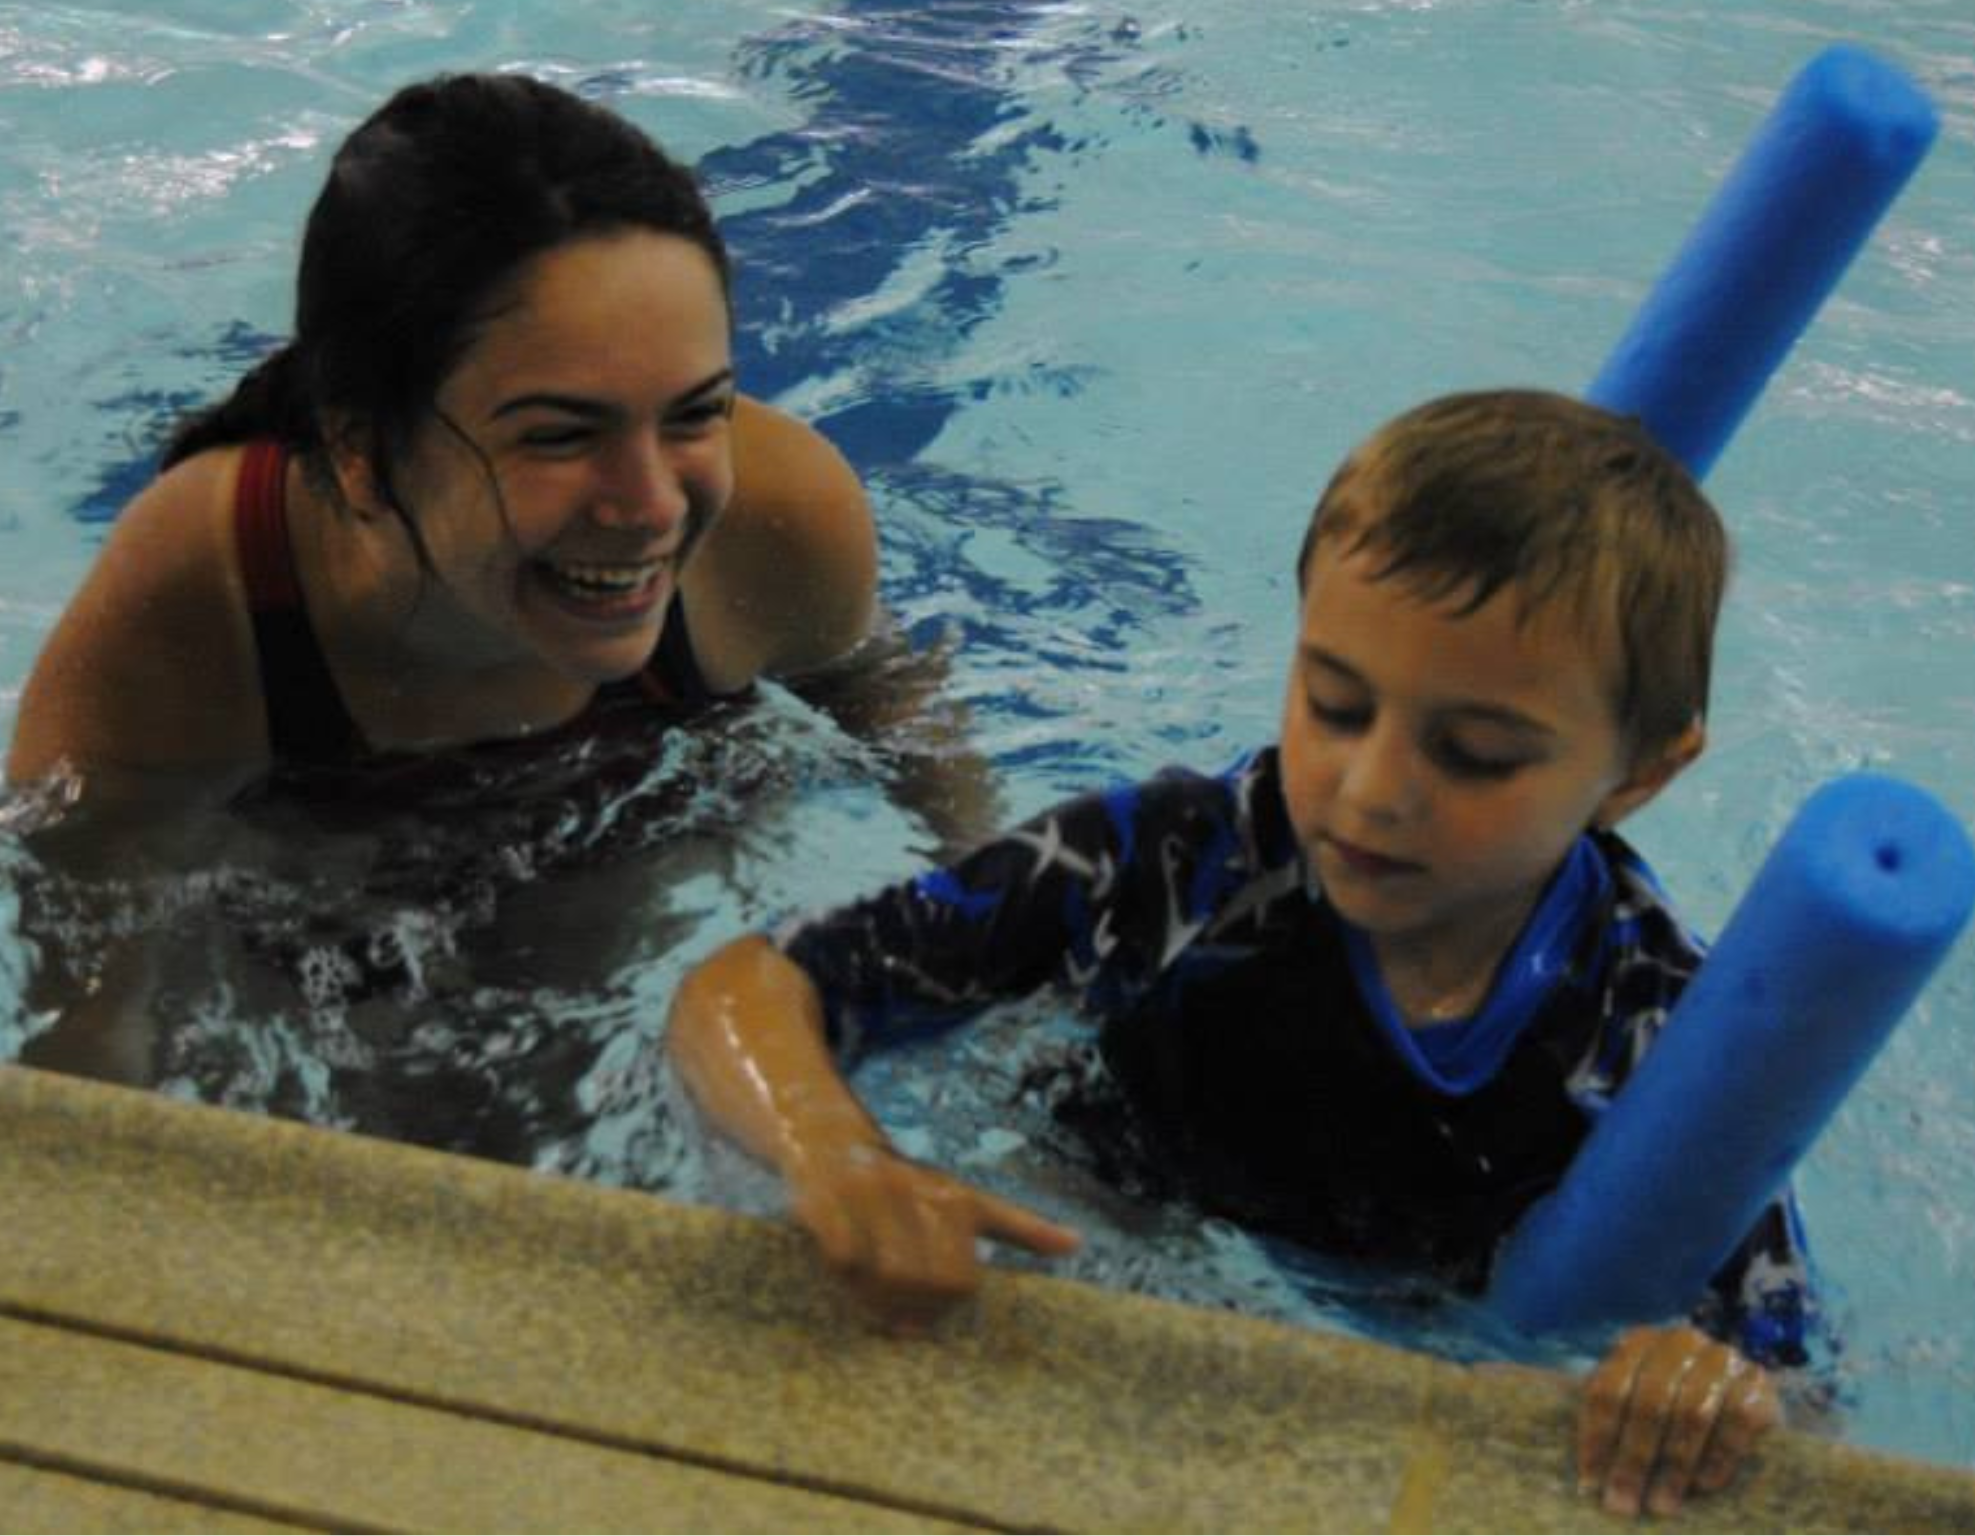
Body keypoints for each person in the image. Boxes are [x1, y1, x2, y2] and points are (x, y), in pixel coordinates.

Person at [669, 389, 1814, 1519]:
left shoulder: (1656, 1027)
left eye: (1472, 756)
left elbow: (1789, 1393)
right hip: (1098, 1215)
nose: (1370, 794)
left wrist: (1700, 1382)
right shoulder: (1169, 866)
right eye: (1333, 705)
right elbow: (747, 988)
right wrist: (835, 1149)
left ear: (1638, 776)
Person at [0, 73, 894, 1088]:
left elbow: (889, 706)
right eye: (560, 434)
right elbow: (81, 1004)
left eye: (695, 413)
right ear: (357, 449)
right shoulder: (214, 598)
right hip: (317, 895)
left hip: (636, 848)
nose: (650, 504)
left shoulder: (781, 526)